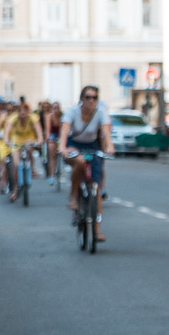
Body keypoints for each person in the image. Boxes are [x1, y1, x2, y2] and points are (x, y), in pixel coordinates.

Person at [60, 85, 114, 242]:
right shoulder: (72, 112)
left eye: (94, 97)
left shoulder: (101, 113)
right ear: (81, 100)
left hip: (92, 146)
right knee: (80, 161)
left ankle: (97, 231)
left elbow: (105, 132)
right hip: (74, 144)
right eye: (88, 97)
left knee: (95, 188)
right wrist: (62, 148)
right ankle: (73, 196)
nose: (91, 101)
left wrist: (110, 146)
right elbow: (64, 131)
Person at [4, 101, 42, 202]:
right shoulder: (13, 118)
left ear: (28, 112)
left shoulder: (33, 118)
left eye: (25, 112)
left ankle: (32, 169)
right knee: (16, 165)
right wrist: (7, 141)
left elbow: (39, 133)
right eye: (20, 112)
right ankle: (15, 189)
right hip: (16, 141)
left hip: (29, 139)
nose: (23, 114)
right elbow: (7, 132)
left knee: (29, 148)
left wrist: (39, 141)